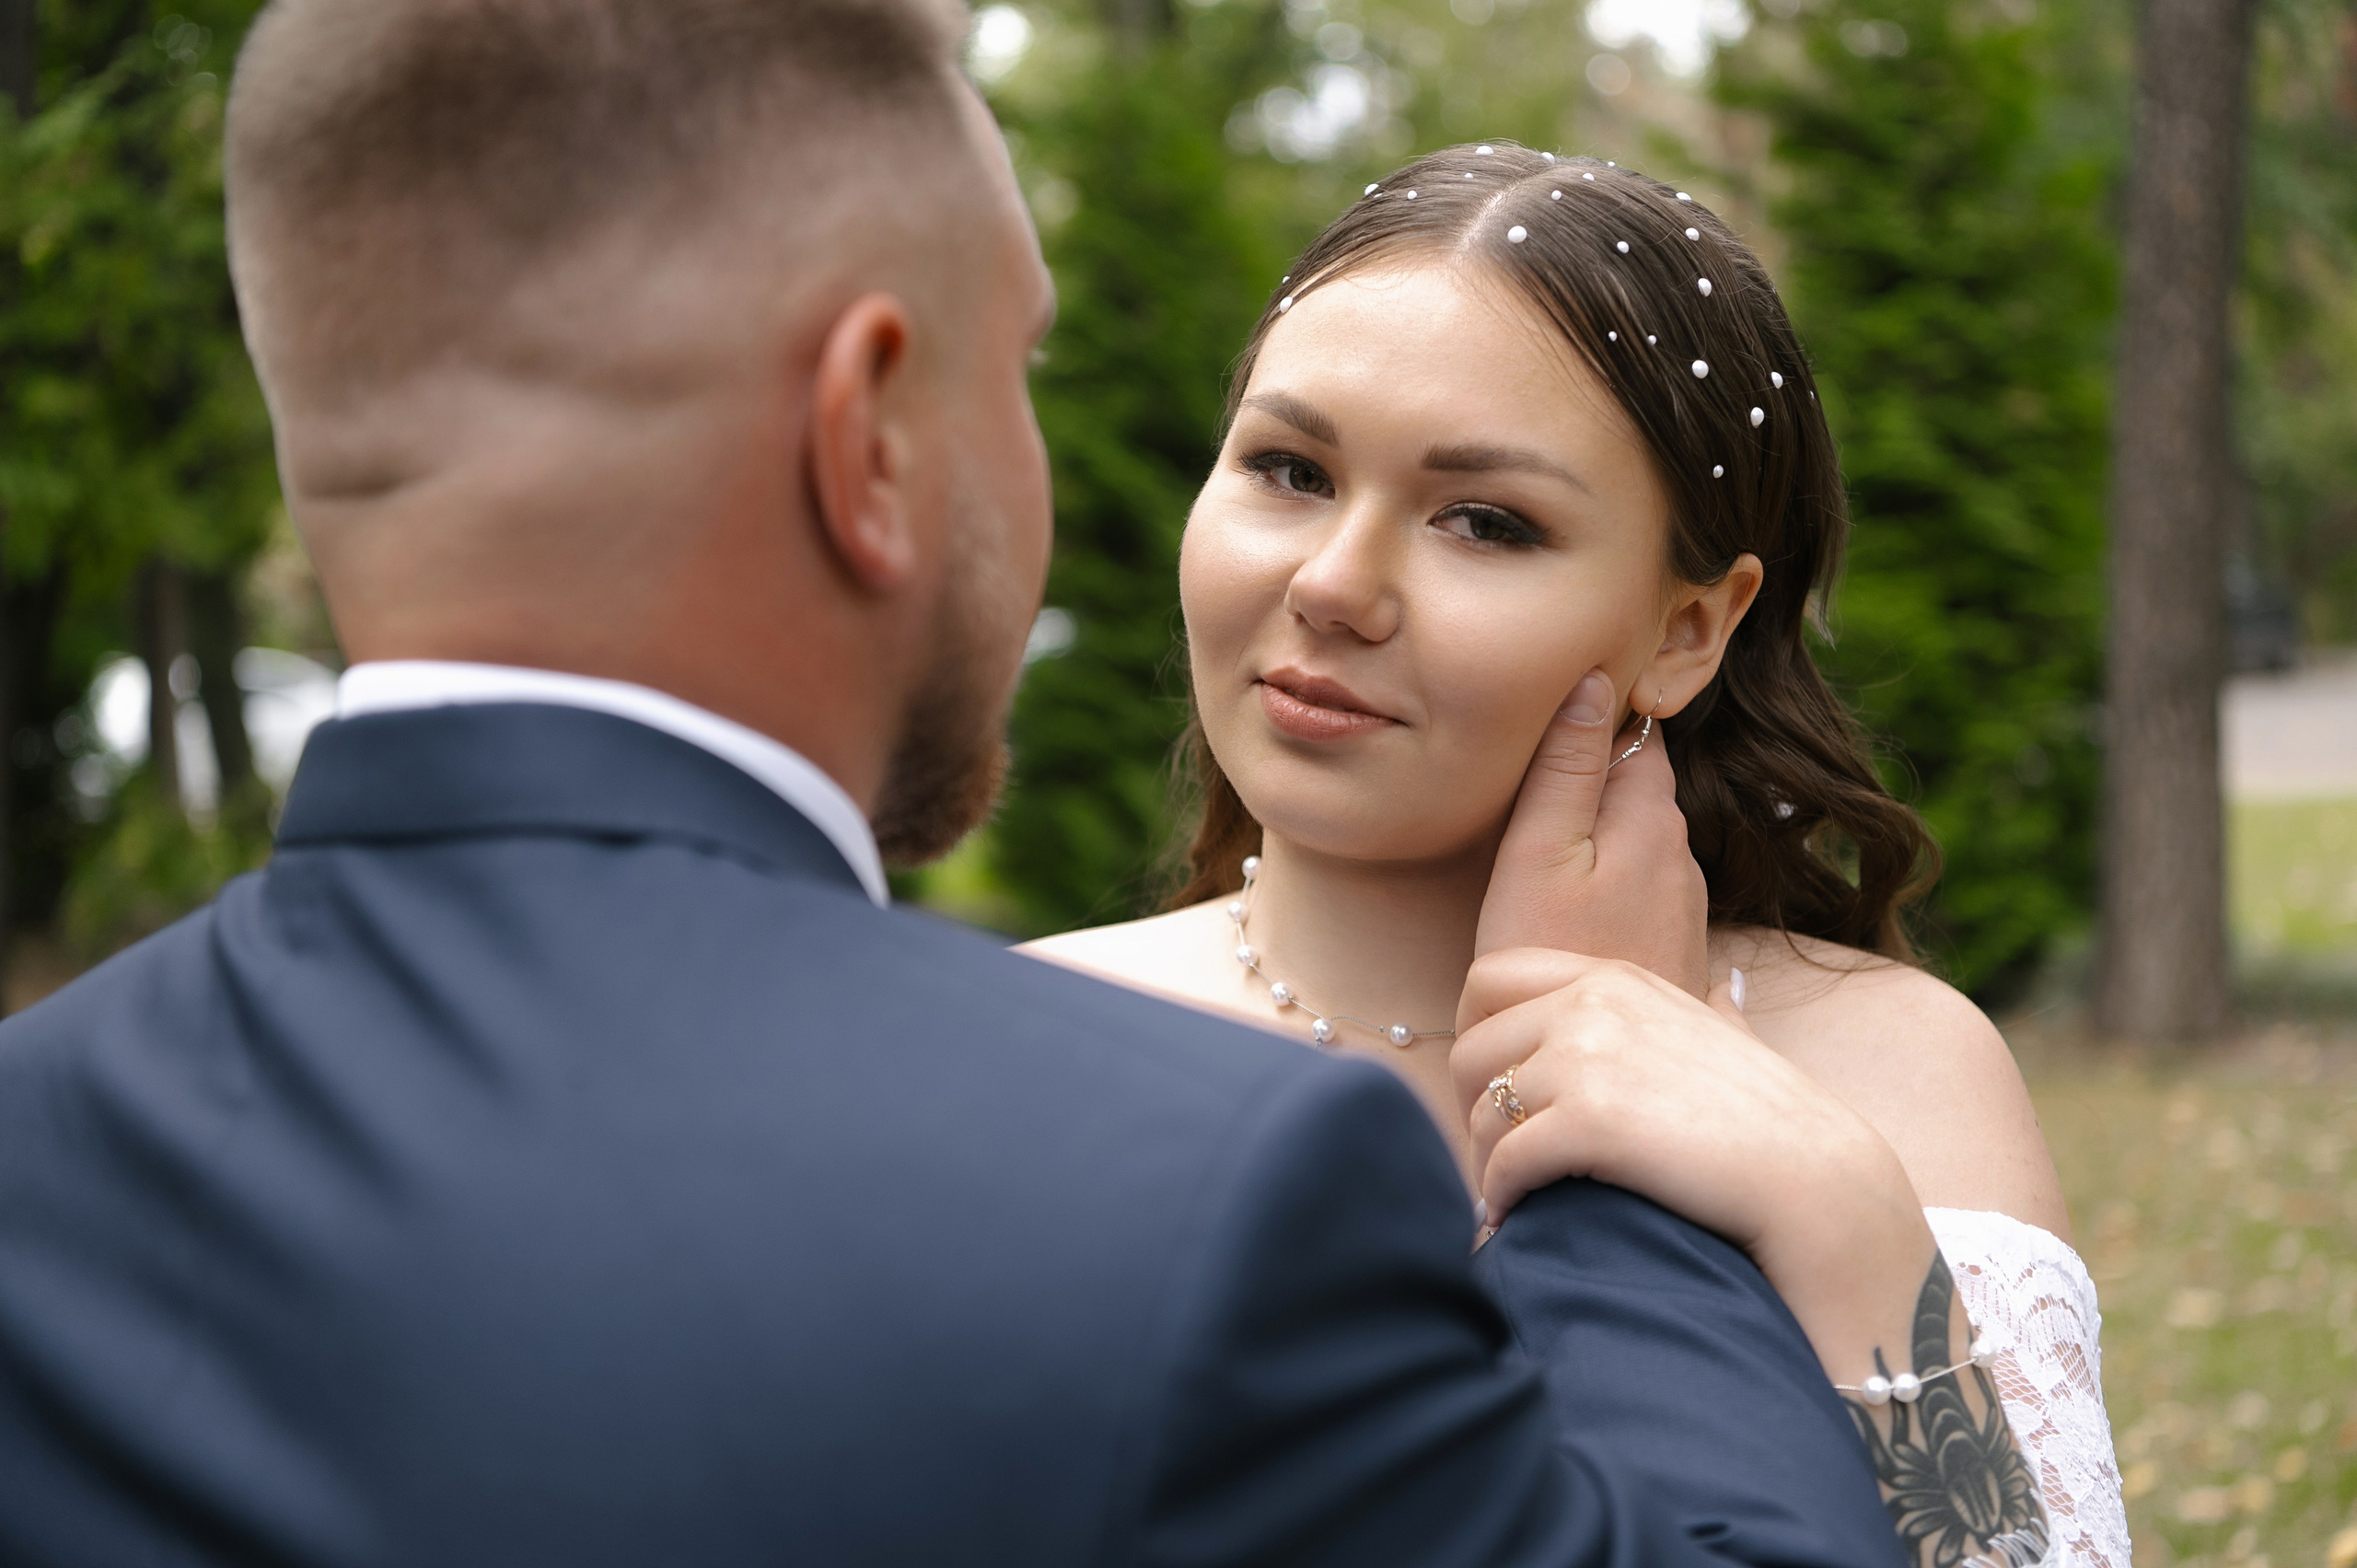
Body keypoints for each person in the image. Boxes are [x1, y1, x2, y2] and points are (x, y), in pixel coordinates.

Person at [0, 3, 1967, 1564]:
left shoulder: (43, 1154)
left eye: (1477, 517)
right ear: (866, 433)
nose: (1326, 581)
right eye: (1013, 371)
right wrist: (1614, 1144)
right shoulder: (1177, 1188)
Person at [1025, 143, 2129, 1568]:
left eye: (1485, 521)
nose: (1333, 584)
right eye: (1289, 469)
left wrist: (1833, 1208)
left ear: (1691, 629)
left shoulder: (1882, 1075)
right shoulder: (1032, 1037)